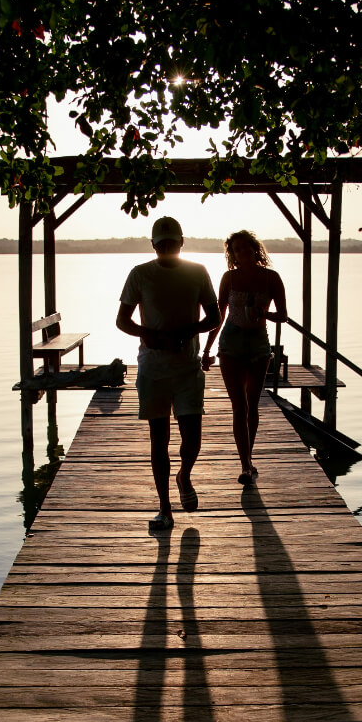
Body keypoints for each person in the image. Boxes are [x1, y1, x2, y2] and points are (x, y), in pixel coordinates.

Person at [117, 215, 221, 530]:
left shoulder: (198, 272)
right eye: (161, 244)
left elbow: (214, 316)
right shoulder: (140, 274)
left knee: (192, 436)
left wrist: (189, 330)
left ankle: (184, 475)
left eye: (171, 243)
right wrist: (147, 335)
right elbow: (122, 320)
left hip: (188, 367)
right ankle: (165, 508)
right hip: (153, 368)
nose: (166, 248)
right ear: (153, 245)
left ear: (181, 242)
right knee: (158, 439)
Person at [202, 230, 287, 483]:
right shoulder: (229, 277)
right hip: (231, 343)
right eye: (236, 249)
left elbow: (283, 315)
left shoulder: (271, 277)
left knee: (252, 406)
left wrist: (263, 314)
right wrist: (207, 349)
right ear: (233, 255)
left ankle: (248, 458)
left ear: (254, 249)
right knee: (239, 407)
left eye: (245, 247)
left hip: (259, 343)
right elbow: (219, 314)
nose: (242, 252)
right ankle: (246, 466)